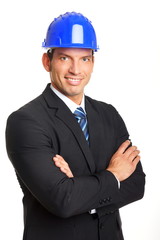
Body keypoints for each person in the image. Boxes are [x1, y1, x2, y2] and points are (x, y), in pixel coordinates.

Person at [6, 12, 145, 240]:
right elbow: (63, 200)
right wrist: (113, 176)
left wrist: (78, 186)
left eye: (84, 59)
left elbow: (136, 185)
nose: (76, 70)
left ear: (93, 63)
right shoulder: (25, 122)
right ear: (47, 61)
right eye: (64, 58)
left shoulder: (108, 114)